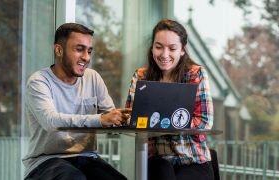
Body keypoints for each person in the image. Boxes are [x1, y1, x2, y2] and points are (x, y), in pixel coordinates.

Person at [23, 23, 130, 180]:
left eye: (89, 51)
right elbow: (51, 121)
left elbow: (109, 117)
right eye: (79, 49)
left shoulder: (93, 78)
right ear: (59, 50)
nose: (86, 57)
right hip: (46, 161)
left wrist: (122, 117)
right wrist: (100, 119)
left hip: (87, 157)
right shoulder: (39, 82)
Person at [125, 19, 214, 180]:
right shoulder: (141, 76)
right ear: (152, 48)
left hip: (192, 159)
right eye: (158, 47)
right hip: (156, 159)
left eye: (172, 48)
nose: (164, 55)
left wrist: (162, 122)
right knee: (161, 169)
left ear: (182, 50)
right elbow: (131, 118)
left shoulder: (196, 74)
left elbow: (204, 121)